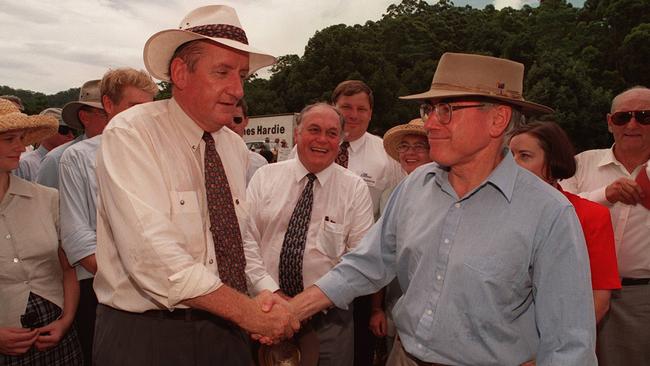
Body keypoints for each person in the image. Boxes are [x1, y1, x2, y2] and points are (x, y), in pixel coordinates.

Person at [285, 52, 597, 366]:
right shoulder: (415, 185)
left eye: (446, 110)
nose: (430, 123)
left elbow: (570, 346)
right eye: (429, 109)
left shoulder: (549, 213)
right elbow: (367, 263)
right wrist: (292, 311)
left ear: (497, 119)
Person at [92, 6, 298, 366]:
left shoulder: (233, 147)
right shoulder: (131, 135)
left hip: (226, 330)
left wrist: (267, 293)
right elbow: (153, 258)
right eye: (222, 72)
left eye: (242, 76)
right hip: (146, 338)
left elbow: (237, 238)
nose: (236, 89)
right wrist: (249, 313)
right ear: (179, 73)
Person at [247, 103, 374, 365]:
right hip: (265, 312)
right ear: (297, 134)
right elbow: (246, 242)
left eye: (331, 133)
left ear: (340, 140)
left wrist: (307, 304)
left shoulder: (354, 189)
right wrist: (272, 292)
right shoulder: (264, 178)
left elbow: (360, 261)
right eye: (313, 130)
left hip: (328, 321)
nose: (321, 140)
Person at [58, 67, 158, 366]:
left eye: (149, 107)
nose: (143, 115)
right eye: (133, 107)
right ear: (109, 105)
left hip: (165, 291)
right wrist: (129, 279)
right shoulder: (77, 158)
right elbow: (77, 236)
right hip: (103, 290)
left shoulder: (163, 155)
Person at [560, 86, 650, 366]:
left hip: (642, 297)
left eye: (644, 116)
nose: (632, 124)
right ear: (610, 122)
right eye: (624, 118)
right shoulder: (581, 163)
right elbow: (558, 211)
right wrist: (605, 196)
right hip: (579, 291)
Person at [509, 121, 621, 324]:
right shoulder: (495, 210)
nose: (512, 164)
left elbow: (599, 300)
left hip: (561, 342)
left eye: (524, 156)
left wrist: (560, 347)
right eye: (509, 156)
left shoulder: (590, 215)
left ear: (553, 163)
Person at [0, 99, 82, 365]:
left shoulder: (47, 198)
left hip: (54, 332)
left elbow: (67, 267)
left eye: (22, 138)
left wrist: (67, 320)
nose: (21, 147)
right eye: (9, 139)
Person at [329, 80, 405, 366]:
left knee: (358, 347)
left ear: (371, 113)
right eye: (346, 107)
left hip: (363, 266)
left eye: (361, 108)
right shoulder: (317, 145)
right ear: (334, 107)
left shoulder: (385, 154)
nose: (353, 114)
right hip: (319, 262)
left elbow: (396, 210)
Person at [369, 118, 432, 361]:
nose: (409, 152)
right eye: (404, 146)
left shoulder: (453, 196)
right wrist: (376, 308)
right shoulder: (389, 196)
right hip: (394, 309)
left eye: (419, 146)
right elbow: (380, 256)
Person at [35, 80, 107, 188]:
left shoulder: (127, 153)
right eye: (105, 114)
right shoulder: (56, 160)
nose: (116, 119)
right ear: (84, 117)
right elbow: (44, 203)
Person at [14, 108, 75, 181]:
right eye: (64, 130)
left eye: (73, 131)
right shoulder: (24, 164)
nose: (71, 136)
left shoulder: (73, 161)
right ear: (45, 132)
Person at [226, 98, 268, 184]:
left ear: (246, 121)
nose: (232, 124)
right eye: (227, 120)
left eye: (237, 120)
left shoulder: (259, 163)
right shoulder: (209, 160)